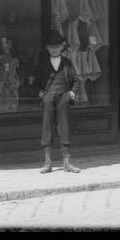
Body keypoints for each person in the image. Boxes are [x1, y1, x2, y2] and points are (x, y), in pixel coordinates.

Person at [37, 29, 81, 174]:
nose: (54, 49)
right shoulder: (42, 63)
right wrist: (42, 94)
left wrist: (71, 93)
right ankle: (48, 163)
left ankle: (67, 163)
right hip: (48, 98)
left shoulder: (67, 63)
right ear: (47, 48)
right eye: (51, 46)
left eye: (57, 46)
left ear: (62, 46)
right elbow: (35, 82)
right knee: (47, 128)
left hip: (63, 97)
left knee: (65, 128)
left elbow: (76, 81)